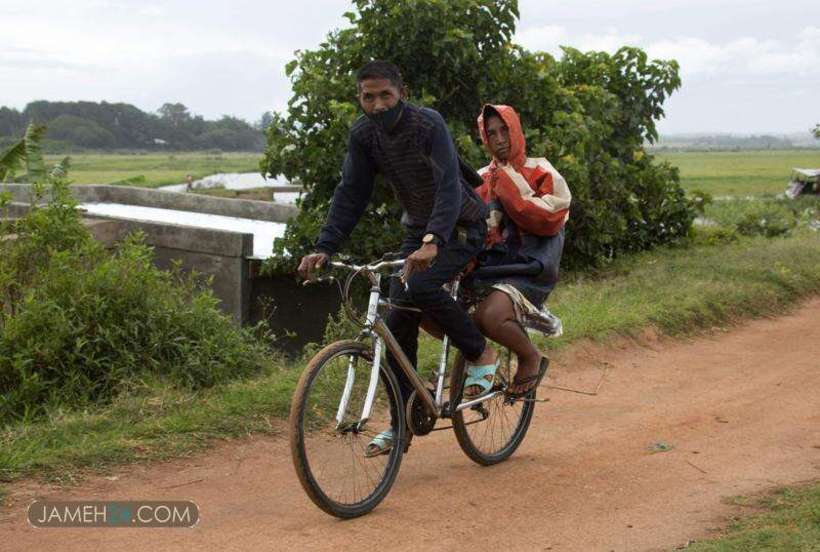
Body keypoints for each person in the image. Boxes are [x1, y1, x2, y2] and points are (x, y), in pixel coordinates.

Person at [297, 61, 497, 456]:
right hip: (418, 230)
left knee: (420, 284)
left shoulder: (428, 124)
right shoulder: (364, 134)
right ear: (359, 98)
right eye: (368, 97)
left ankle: (479, 351)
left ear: (401, 93)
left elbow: (446, 185)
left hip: (461, 225)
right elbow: (351, 192)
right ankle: (402, 422)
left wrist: (434, 239)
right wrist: (325, 246)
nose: (377, 105)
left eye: (385, 95)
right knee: (396, 315)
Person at [466, 104, 571, 397]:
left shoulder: (541, 170)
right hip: (489, 266)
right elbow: (472, 226)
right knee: (438, 310)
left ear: (517, 131)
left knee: (490, 315)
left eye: (505, 130)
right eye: (491, 133)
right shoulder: (480, 177)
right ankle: (479, 357)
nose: (499, 139)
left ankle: (530, 356)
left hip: (531, 266)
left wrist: (510, 186)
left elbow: (550, 218)